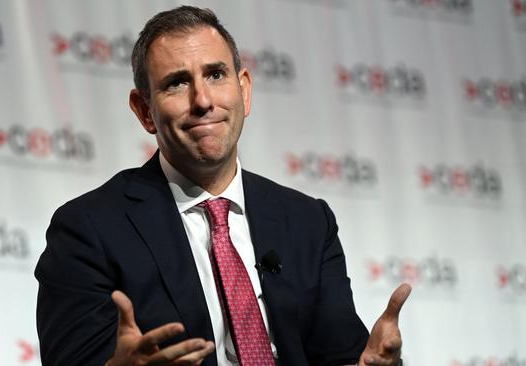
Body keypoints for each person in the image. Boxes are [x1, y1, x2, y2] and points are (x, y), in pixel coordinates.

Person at [35, 6, 411, 366]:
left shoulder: (308, 221)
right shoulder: (88, 229)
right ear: (144, 110)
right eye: (177, 83)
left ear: (244, 90)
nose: (202, 101)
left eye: (216, 75)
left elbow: (340, 356)